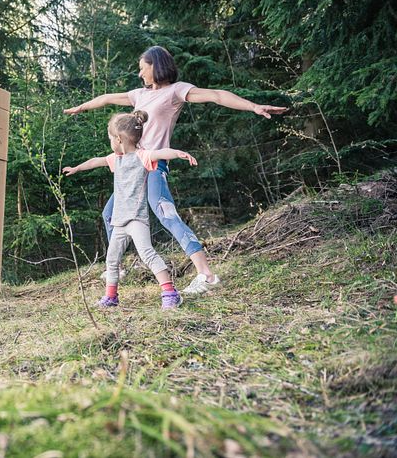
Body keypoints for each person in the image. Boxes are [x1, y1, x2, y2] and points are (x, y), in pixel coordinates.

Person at [64, 46, 287, 294]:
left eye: (142, 69)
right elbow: (106, 98)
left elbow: (217, 95)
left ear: (155, 66)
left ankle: (207, 275)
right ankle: (118, 266)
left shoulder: (175, 91)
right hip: (132, 169)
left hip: (154, 164)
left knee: (166, 214)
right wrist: (80, 107)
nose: (140, 74)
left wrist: (253, 106)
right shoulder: (139, 95)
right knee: (109, 214)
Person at [63, 110, 198, 309]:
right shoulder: (115, 159)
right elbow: (95, 161)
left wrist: (179, 154)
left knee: (147, 254)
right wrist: (76, 168)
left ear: (118, 139)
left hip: (136, 220)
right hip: (119, 221)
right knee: (111, 258)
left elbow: (161, 153)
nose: (110, 143)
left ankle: (170, 292)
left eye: (110, 139)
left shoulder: (142, 156)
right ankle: (111, 297)